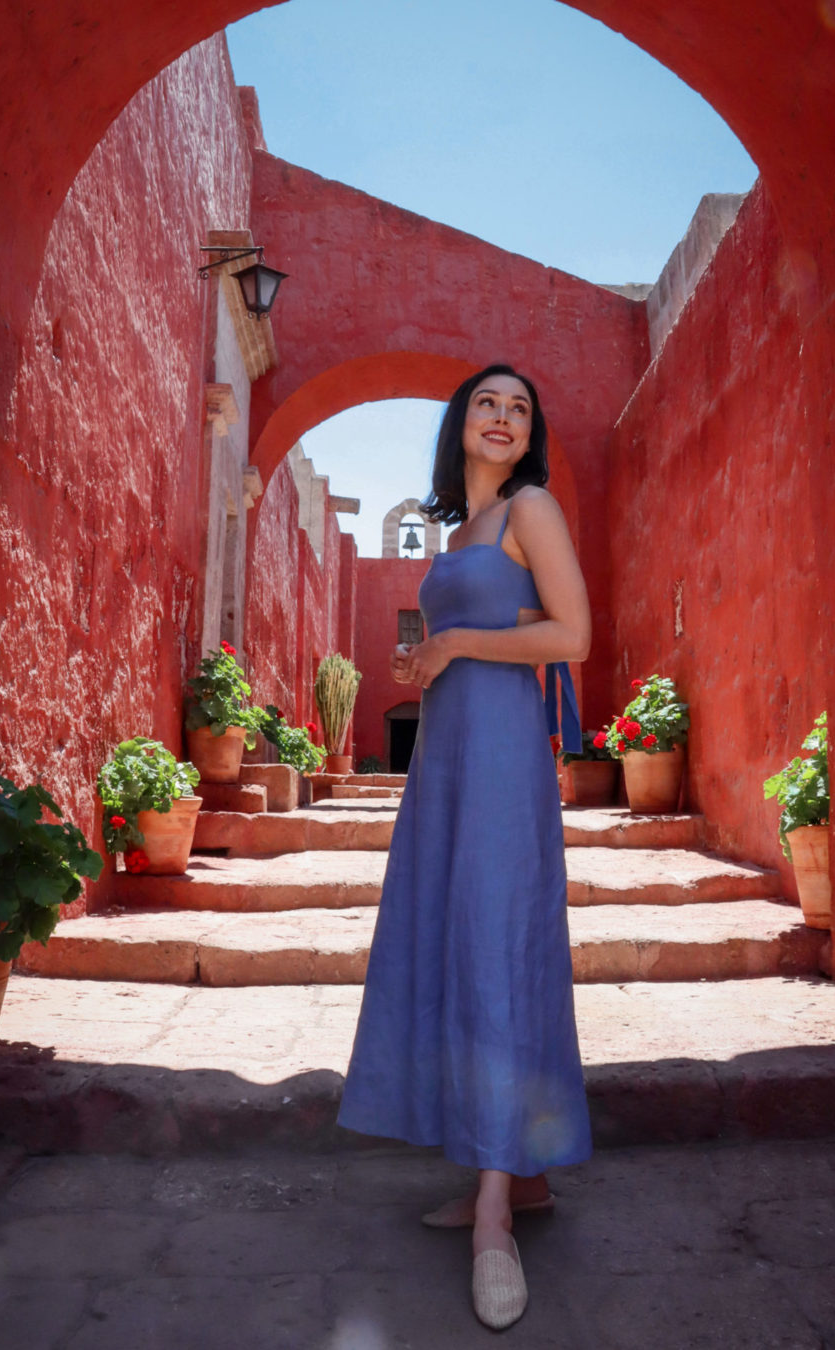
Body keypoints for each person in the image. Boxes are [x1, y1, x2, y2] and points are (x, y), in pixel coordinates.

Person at [336, 363, 592, 1330]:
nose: (503, 416)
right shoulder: (455, 533)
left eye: (520, 408)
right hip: (444, 756)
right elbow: (486, 628)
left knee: (496, 946)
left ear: (530, 435)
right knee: (451, 943)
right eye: (487, 402)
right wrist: (426, 657)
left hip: (501, 758)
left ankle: (494, 1218)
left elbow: (572, 635)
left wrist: (458, 646)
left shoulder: (532, 509)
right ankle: (520, 1176)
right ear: (461, 424)